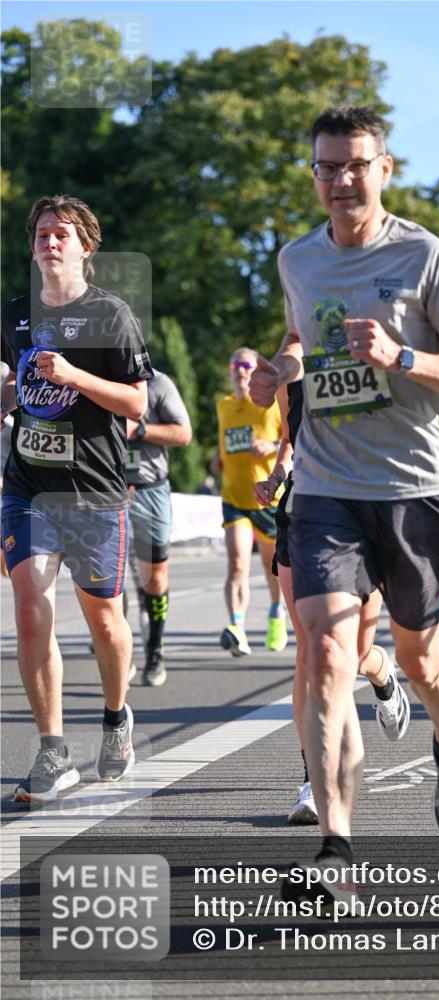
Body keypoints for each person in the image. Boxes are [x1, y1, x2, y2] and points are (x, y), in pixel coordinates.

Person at [250, 105, 439, 902]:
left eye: (355, 164)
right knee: (321, 651)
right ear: (313, 173)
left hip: (414, 489)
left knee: (419, 661)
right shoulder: (297, 259)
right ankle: (335, 850)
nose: (340, 180)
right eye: (326, 166)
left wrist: (402, 356)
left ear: (383, 169)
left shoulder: (427, 256)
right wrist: (278, 372)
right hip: (325, 487)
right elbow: (296, 336)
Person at [1, 194, 152, 802]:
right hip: (29, 487)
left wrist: (75, 377)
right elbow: (11, 387)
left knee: (104, 618)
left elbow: (138, 403)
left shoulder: (113, 315)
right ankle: (52, 748)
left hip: (94, 490)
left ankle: (116, 718)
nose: (49, 241)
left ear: (86, 247)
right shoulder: (13, 314)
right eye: (41, 232)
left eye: (62, 232)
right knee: (30, 601)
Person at [254, 380, 411, 825]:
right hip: (302, 512)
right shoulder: (292, 368)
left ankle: (383, 676)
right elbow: (289, 436)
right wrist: (277, 476)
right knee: (312, 653)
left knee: (355, 656)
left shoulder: (372, 348)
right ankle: (313, 782)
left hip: (364, 511)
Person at [213, 347, 287, 656]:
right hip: (234, 497)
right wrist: (216, 463)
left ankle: (276, 611)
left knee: (273, 567)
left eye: (247, 365)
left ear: (256, 372)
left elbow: (292, 438)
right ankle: (237, 627)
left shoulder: (271, 404)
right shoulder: (224, 406)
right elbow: (223, 449)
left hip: (268, 498)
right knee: (237, 562)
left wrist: (270, 446)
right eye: (236, 365)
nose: (240, 371)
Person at [125, 368, 192, 686]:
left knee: (155, 578)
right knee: (105, 578)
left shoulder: (158, 383)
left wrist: (139, 430)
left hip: (150, 489)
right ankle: (118, 650)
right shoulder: (89, 377)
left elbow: (183, 434)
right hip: (106, 491)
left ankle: (155, 650)